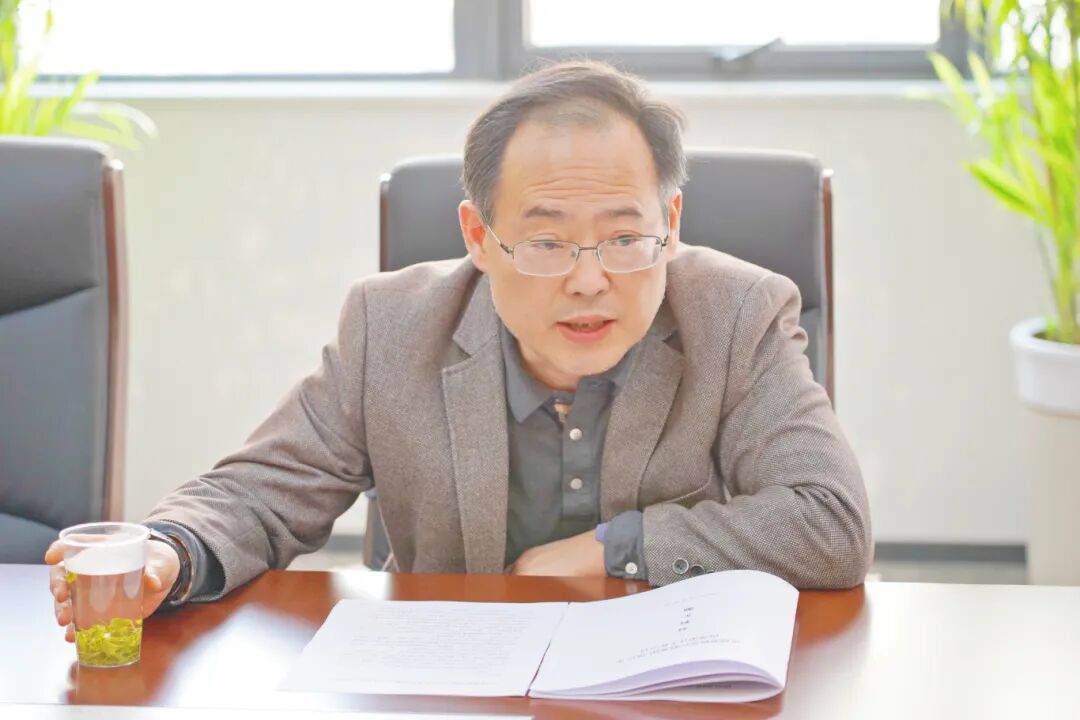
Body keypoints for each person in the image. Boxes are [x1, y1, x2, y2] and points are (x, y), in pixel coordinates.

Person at [48, 60, 872, 641]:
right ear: (478, 236)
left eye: (626, 238)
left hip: (661, 686)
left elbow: (829, 523)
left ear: (673, 224)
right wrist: (168, 548)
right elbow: (260, 493)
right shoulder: (391, 326)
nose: (590, 281)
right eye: (546, 243)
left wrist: (617, 550)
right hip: (453, 683)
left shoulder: (738, 313)